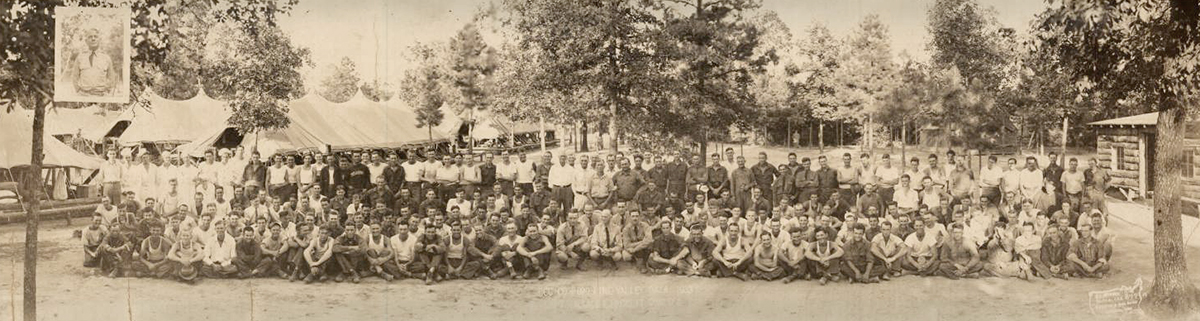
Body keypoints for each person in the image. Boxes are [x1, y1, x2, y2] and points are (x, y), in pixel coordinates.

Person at [68, 28, 119, 96]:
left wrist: (107, 91)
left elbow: (111, 78)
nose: (93, 39)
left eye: (95, 36)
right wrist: (78, 91)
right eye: (90, 37)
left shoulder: (106, 58)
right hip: (84, 95)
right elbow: (74, 77)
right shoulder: (80, 57)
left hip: (101, 96)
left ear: (99, 40)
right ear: (86, 41)